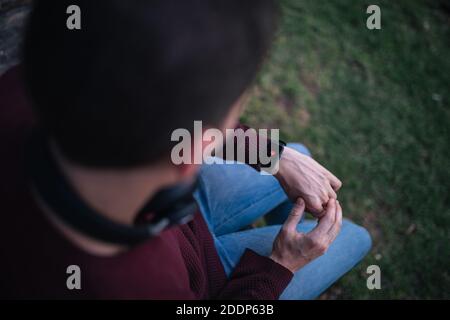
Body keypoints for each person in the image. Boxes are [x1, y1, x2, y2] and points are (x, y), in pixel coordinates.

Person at [0, 0, 371, 299]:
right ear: (194, 152)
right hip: (211, 282)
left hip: (182, 225)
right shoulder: (141, 287)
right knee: (355, 236)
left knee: (297, 155)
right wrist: (280, 266)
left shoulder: (20, 88)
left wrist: (273, 155)